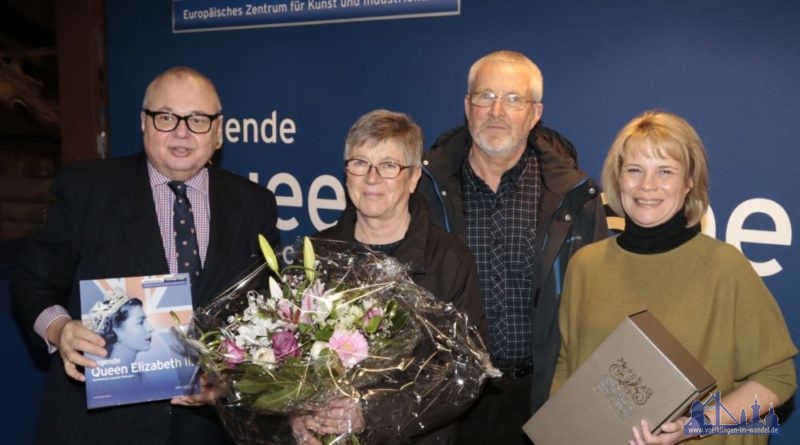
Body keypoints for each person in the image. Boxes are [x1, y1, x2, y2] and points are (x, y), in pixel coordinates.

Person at [10, 66, 280, 445]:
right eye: (166, 117)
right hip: (100, 428)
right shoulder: (87, 188)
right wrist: (60, 329)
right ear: (144, 123)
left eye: (198, 119)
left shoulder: (255, 205)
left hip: (207, 429)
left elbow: (265, 310)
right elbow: (30, 278)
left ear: (218, 132)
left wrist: (232, 377)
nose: (182, 132)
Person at [551, 110, 797, 445]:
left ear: (689, 181)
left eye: (665, 171)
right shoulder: (586, 266)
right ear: (618, 178)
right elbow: (569, 367)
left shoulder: (725, 267)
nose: (646, 186)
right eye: (634, 170)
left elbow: (777, 379)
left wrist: (695, 425)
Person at [415, 50, 608, 443]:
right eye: (485, 96)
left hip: (539, 399)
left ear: (535, 114)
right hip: (447, 401)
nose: (497, 111)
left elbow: (600, 306)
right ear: (467, 107)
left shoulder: (575, 199)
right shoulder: (422, 190)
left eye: (514, 99)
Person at [293, 109, 485, 444]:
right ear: (346, 172)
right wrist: (297, 416)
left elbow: (463, 374)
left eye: (389, 166)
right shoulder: (316, 254)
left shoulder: (450, 259)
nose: (372, 178)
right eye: (360, 163)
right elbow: (288, 359)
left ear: (413, 179)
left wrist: (369, 413)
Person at [87, 289, 154, 368]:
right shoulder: (100, 371)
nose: (151, 328)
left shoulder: (141, 375)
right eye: (140, 322)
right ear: (116, 329)